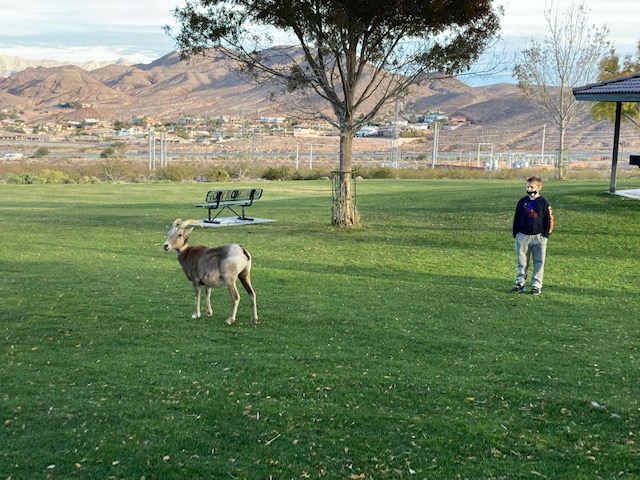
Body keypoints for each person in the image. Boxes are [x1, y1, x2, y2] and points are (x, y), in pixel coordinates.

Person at [510, 176, 554, 295]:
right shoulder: (523, 202)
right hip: (523, 236)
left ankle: (536, 285)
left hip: (539, 237)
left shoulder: (544, 203)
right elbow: (517, 217)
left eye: (531, 187)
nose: (529, 189)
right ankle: (520, 283)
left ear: (538, 188)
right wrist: (516, 233)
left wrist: (546, 234)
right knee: (522, 261)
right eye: (527, 187)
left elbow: (549, 219)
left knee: (539, 261)